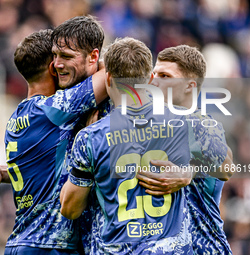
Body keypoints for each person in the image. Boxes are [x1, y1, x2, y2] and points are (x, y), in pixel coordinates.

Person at [61, 37, 200, 254]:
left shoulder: (90, 138)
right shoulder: (183, 122)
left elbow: (70, 209)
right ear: (151, 78)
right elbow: (224, 164)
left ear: (108, 79)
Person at [0, 26, 107, 254]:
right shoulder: (53, 109)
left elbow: (46, 169)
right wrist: (95, 60)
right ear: (53, 67)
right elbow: (110, 75)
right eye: (59, 57)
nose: (62, 64)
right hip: (49, 245)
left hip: (19, 242)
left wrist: (4, 173)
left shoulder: (17, 117)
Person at [136, 45, 233, 254]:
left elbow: (226, 165)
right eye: (153, 74)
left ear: (189, 86)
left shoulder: (200, 122)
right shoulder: (150, 121)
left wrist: (189, 172)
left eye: (164, 75)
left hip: (203, 248)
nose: (153, 81)